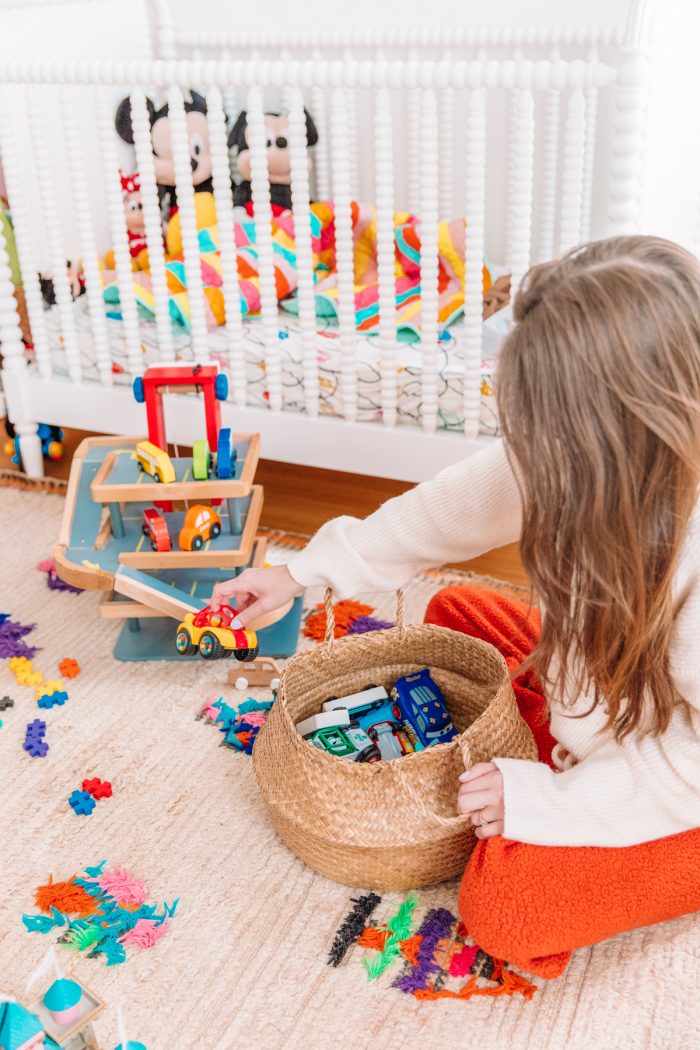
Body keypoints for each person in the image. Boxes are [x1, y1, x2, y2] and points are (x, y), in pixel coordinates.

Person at [211, 237, 700, 978]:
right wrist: (303, 571)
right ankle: (554, 758)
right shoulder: (592, 461)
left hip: (679, 773)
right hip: (616, 702)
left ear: (605, 443)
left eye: (539, 437)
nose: (523, 453)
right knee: (458, 617)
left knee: (508, 907)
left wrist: (557, 804)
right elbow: (454, 507)